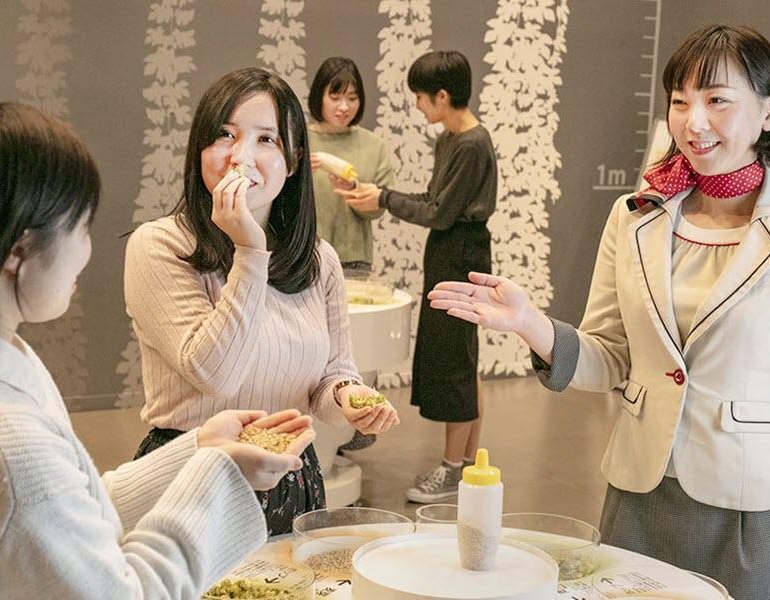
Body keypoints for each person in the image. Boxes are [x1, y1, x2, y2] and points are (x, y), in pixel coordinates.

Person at [428, 25, 770, 600]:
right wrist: (531, 324)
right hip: (639, 497)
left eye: (717, 100)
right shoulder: (634, 217)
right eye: (679, 101)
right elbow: (609, 357)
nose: (693, 122)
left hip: (751, 513)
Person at [0, 101, 316, 598]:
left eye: (267, 139)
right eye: (81, 227)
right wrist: (217, 475)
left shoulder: (3, 355)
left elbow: (74, 508)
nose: (86, 253)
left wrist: (200, 449)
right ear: (19, 249)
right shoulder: (5, 444)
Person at [125, 68, 399, 536]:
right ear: (199, 149)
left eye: (266, 139)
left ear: (293, 160)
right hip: (195, 475)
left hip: (292, 478)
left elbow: (332, 375)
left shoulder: (319, 260)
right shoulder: (159, 245)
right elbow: (215, 374)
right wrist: (250, 252)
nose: (241, 157)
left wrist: (350, 398)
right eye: (225, 135)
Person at [339, 50, 498, 503]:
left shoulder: (470, 144)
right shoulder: (452, 139)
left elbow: (438, 212)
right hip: (449, 251)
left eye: (420, 96)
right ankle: (465, 463)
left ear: (442, 96)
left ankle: (452, 468)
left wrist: (383, 198)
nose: (417, 105)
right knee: (461, 357)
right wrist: (382, 196)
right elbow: (433, 200)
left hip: (461, 253)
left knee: (455, 361)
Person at [307, 56, 394, 272]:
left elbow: (381, 206)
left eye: (352, 98)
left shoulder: (374, 145)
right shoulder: (300, 142)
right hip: (305, 255)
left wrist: (355, 189)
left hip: (354, 259)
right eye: (335, 97)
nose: (344, 107)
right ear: (319, 97)